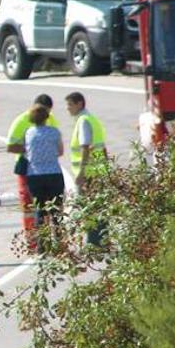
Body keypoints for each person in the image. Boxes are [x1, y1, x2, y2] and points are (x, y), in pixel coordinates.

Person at [6, 95, 59, 250]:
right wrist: (32, 149)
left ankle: (49, 241)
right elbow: (11, 146)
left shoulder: (51, 119)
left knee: (51, 206)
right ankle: (33, 242)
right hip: (26, 167)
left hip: (47, 169)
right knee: (29, 206)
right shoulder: (21, 121)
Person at [65, 92, 108, 245]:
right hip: (99, 170)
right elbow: (103, 148)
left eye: (70, 104)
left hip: (89, 173)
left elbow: (85, 148)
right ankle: (102, 240)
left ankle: (94, 241)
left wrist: (81, 173)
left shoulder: (83, 121)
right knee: (98, 206)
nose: (67, 108)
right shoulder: (91, 119)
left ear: (79, 104)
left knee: (89, 208)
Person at [24, 105, 65, 250]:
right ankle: (59, 243)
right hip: (54, 172)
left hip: (35, 175)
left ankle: (42, 245)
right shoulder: (54, 132)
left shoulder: (29, 133)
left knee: (40, 209)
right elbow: (60, 152)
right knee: (56, 210)